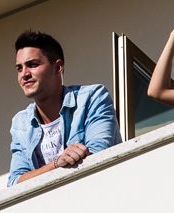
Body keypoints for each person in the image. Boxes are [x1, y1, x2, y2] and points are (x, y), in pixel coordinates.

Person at [7, 29, 118, 186]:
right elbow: (15, 182)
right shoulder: (20, 123)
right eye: (19, 68)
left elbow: (98, 154)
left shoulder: (92, 97)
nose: (24, 74)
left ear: (58, 68)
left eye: (32, 65)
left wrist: (42, 172)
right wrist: (56, 164)